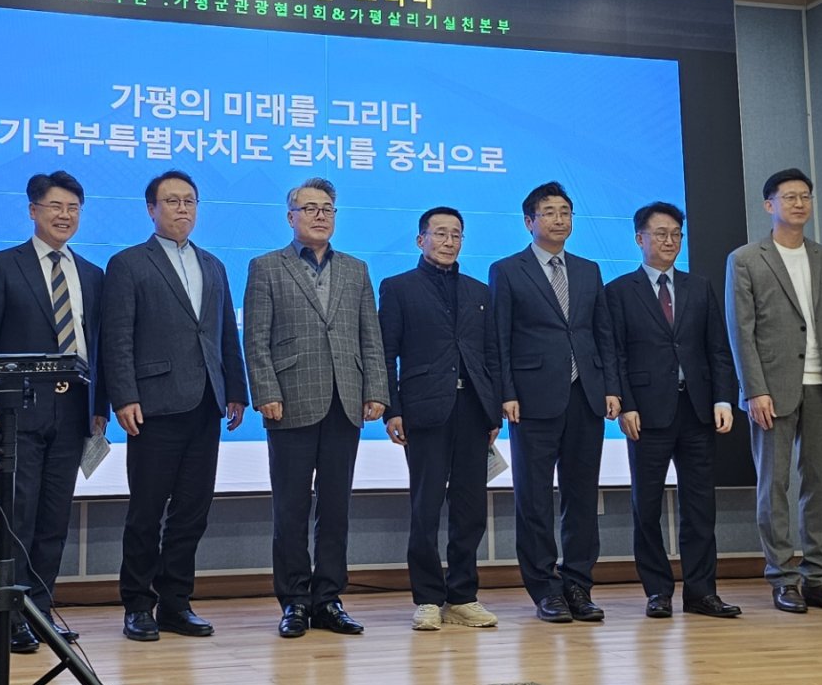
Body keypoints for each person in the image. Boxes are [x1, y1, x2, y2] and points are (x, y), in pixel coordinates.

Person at [100, 170, 247, 642]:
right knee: (146, 511)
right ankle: (137, 604)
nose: (182, 208)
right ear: (151, 209)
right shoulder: (128, 263)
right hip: (153, 405)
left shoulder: (213, 264)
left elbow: (224, 333)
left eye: (189, 201)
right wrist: (124, 396)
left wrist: (236, 389)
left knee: (192, 510)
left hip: (206, 402)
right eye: (172, 201)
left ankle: (176, 603)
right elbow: (117, 337)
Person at [245, 178, 389, 638]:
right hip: (288, 401)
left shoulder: (356, 269)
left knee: (336, 508)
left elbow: (370, 336)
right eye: (309, 208)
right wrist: (265, 391)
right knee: (290, 509)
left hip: (345, 400)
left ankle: (328, 598)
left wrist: (376, 389)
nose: (320, 215)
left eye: (327, 208)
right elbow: (255, 338)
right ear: (290, 217)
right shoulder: (266, 267)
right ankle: (294, 600)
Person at [0, 171, 108, 652]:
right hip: (19, 413)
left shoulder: (91, 274)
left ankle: (40, 610)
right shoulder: (3, 265)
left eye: (73, 208)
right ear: (33, 210)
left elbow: (99, 347)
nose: (64, 216)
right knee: (19, 516)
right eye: (55, 206)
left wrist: (99, 409)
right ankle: (10, 617)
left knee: (54, 518)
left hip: (73, 412)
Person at [725, 168, 822, 614]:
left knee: (820, 484)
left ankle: (819, 577)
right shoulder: (746, 259)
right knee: (774, 485)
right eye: (789, 197)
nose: (800, 203)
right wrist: (754, 389)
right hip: (772, 389)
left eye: (805, 196)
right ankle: (782, 578)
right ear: (769, 205)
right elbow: (741, 331)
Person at [489, 181, 620, 625]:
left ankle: (578, 584)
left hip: (586, 396)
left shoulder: (588, 270)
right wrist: (506, 393)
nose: (559, 219)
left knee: (582, 496)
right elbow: (500, 338)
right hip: (531, 400)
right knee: (534, 499)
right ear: (529, 221)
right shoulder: (507, 270)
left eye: (565, 212)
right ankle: (545, 587)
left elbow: (602, 333)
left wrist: (611, 387)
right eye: (549, 212)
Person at [604, 202, 740, 620]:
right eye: (660, 234)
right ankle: (657, 591)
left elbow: (718, 348)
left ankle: (702, 592)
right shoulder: (619, 291)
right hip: (646, 413)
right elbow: (616, 354)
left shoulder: (699, 287)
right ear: (639, 238)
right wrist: (626, 404)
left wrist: (723, 398)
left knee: (700, 506)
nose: (669, 241)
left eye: (676, 234)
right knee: (646, 506)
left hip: (697, 410)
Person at [379, 206, 500, 632]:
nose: (449, 242)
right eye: (440, 233)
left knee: (471, 509)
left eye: (456, 235)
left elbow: (491, 355)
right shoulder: (398, 288)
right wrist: (392, 409)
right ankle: (428, 598)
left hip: (474, 411)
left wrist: (493, 409)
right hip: (424, 411)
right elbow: (386, 354)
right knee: (426, 507)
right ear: (421, 240)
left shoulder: (479, 291)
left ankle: (463, 596)